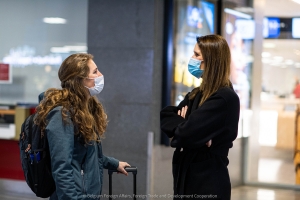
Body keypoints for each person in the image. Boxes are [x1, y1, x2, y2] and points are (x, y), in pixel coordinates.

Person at [34, 53, 130, 200]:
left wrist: (114, 163)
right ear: (80, 80)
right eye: (95, 72)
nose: (100, 75)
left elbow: (85, 154)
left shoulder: (82, 109)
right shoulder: (62, 114)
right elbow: (61, 166)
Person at [160, 35, 240, 200]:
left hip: (208, 183)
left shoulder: (224, 98)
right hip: (186, 181)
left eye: (197, 55)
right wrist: (186, 129)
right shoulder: (198, 93)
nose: (192, 59)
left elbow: (185, 134)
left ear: (211, 61)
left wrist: (184, 130)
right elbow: (166, 115)